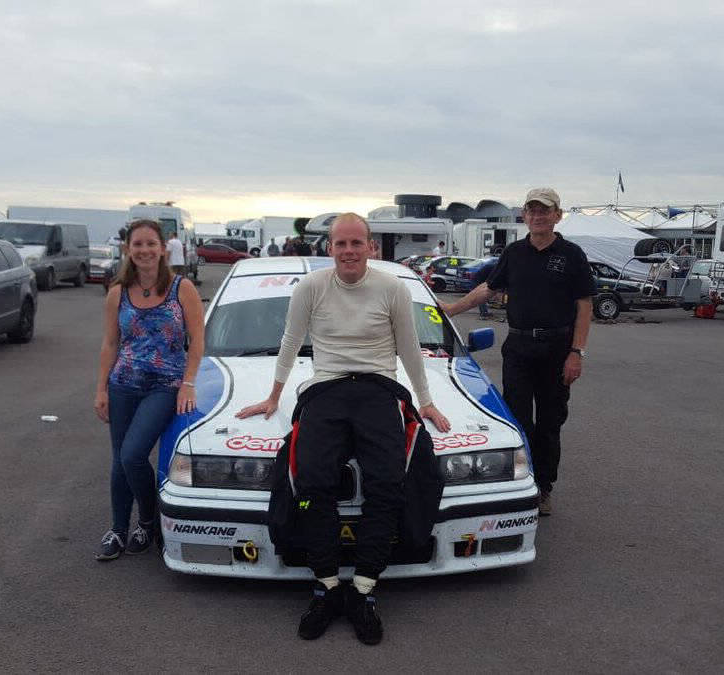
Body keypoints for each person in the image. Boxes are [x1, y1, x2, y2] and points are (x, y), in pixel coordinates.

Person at [236, 213, 450, 645]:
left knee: (387, 484)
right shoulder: (311, 287)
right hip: (326, 389)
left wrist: (425, 401)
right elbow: (290, 342)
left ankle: (364, 589)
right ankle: (327, 586)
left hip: (378, 388)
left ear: (371, 247)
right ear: (329, 248)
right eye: (341, 244)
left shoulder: (392, 288)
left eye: (356, 243)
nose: (349, 251)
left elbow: (409, 348)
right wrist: (274, 397)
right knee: (312, 484)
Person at [442, 187, 596, 516]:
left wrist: (576, 352)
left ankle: (543, 487)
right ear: (524, 215)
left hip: (557, 350)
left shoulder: (572, 255)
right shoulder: (514, 253)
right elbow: (489, 288)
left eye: (545, 210)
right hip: (519, 349)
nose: (538, 216)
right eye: (532, 210)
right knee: (517, 420)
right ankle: (520, 482)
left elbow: (584, 306)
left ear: (557, 215)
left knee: (550, 423)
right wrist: (451, 309)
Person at [93, 219, 205, 560]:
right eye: (138, 244)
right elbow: (110, 343)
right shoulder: (117, 292)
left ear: (163, 248)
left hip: (165, 385)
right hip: (123, 384)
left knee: (133, 455)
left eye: (151, 244)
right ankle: (118, 529)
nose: (144, 250)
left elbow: (197, 339)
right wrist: (101, 389)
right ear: (128, 249)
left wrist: (188, 383)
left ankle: (147, 520)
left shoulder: (182, 288)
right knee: (119, 460)